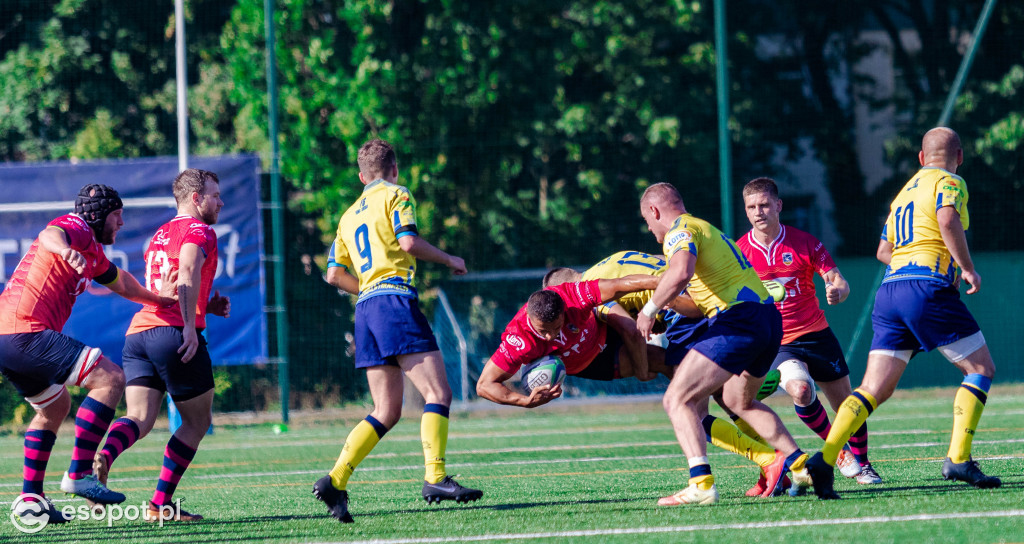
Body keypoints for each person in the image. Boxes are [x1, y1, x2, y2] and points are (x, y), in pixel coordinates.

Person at [807, 127, 1001, 499]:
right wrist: (966, 267)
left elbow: (884, 250)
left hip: (891, 289)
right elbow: (947, 219)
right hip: (925, 287)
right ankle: (959, 459)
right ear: (959, 156)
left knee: (874, 388)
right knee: (981, 370)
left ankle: (826, 458)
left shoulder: (904, 192)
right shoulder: (950, 181)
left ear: (920, 158)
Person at [312, 139, 481, 524]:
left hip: (366, 309)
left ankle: (336, 479)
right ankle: (435, 477)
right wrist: (450, 258)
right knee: (438, 392)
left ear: (361, 176)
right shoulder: (397, 194)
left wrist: (369, 289)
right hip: (393, 302)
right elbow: (407, 241)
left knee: (386, 410)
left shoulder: (348, 214)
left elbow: (334, 275)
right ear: (394, 169)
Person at [0, 184, 177, 523]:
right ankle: (80, 474)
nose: (121, 223)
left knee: (56, 406)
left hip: (7, 335)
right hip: (25, 330)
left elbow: (121, 282)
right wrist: (64, 250)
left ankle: (30, 498)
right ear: (97, 215)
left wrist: (159, 299)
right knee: (110, 379)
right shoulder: (76, 227)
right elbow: (51, 233)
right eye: (117, 215)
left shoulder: (92, 250)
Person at [636, 182, 809, 506]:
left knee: (677, 399)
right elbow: (697, 303)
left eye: (647, 219)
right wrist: (670, 302)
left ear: (655, 212)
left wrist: (649, 310)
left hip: (738, 320)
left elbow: (681, 272)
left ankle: (700, 484)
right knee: (738, 400)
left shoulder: (679, 231)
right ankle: (800, 465)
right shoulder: (705, 228)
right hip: (767, 320)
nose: (649, 228)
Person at [93, 169, 229, 522]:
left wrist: (205, 307)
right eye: (215, 195)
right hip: (172, 333)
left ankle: (105, 454)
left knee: (139, 417)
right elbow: (185, 273)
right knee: (197, 423)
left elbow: (173, 283)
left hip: (138, 334)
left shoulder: (161, 233)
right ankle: (159, 505)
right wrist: (188, 327)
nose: (221, 201)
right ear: (196, 199)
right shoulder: (200, 230)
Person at [735, 177, 882, 492]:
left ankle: (865, 464)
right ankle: (839, 455)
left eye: (764, 204)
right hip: (778, 341)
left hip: (817, 335)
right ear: (745, 211)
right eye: (751, 207)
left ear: (778, 205)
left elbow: (837, 280)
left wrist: (837, 290)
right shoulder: (739, 253)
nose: (758, 212)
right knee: (801, 390)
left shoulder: (804, 242)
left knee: (847, 406)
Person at [475, 271, 666, 409]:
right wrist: (524, 401)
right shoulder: (519, 339)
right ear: (530, 319)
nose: (551, 336)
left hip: (601, 328)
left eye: (557, 327)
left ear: (564, 311)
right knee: (660, 358)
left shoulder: (573, 297)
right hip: (589, 363)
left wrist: (664, 281)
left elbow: (620, 284)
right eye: (543, 331)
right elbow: (484, 385)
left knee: (666, 355)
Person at [541, 250, 703, 381]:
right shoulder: (609, 261)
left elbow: (631, 330)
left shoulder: (592, 294)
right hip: (700, 288)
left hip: (682, 304)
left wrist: (642, 372)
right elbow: (658, 259)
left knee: (686, 391)